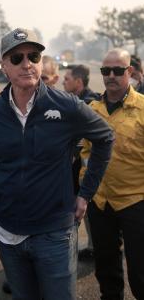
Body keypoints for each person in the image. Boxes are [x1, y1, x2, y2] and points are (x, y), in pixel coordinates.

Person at [0, 28, 114, 300]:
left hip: (54, 232)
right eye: (17, 58)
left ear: (41, 61)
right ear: (4, 66)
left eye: (34, 56)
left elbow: (105, 138)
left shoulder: (67, 106)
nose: (27, 63)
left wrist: (85, 194)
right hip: (8, 233)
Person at [81, 48, 144, 300]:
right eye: (106, 71)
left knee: (140, 270)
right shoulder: (92, 110)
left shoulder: (142, 108)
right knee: (106, 267)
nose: (111, 76)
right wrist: (84, 187)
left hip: (135, 201)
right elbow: (85, 152)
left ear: (129, 72)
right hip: (100, 202)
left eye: (118, 70)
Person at [63, 64, 100, 260]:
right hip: (78, 166)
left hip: (86, 166)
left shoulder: (90, 102)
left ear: (78, 82)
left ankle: (98, 248)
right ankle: (94, 246)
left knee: (90, 209)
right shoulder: (73, 100)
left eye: (67, 79)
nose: (63, 81)